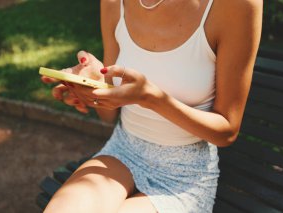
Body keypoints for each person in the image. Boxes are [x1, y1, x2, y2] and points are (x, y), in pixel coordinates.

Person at [41, 0, 262, 212]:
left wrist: (152, 99)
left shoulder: (236, 4)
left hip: (184, 175)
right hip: (123, 150)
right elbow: (107, 116)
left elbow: (227, 132)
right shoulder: (113, 3)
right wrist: (95, 86)